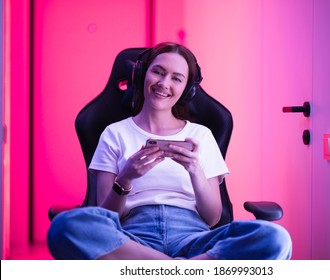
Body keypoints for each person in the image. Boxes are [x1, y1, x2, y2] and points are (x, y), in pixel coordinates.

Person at [47, 42, 292, 260]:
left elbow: (212, 218)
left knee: (275, 237)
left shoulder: (201, 135)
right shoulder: (114, 133)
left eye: (176, 78)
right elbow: (106, 215)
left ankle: (158, 269)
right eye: (158, 72)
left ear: (187, 89)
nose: (164, 83)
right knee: (65, 227)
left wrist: (195, 169)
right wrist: (125, 179)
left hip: (194, 239)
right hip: (132, 239)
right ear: (143, 75)